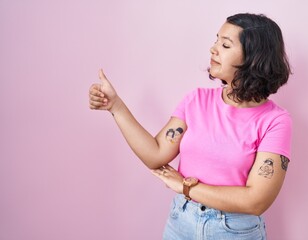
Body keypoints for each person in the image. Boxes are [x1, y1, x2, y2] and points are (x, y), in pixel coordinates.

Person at [88, 13, 292, 240]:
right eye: (216, 40)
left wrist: (187, 188)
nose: (213, 49)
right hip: (181, 222)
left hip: (235, 230)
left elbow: (256, 201)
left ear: (254, 58)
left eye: (225, 45)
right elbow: (155, 154)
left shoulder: (275, 121)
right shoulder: (196, 100)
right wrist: (116, 106)